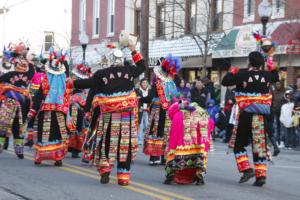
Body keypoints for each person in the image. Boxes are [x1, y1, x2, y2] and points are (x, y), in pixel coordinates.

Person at [73, 43, 145, 186]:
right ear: (122, 60)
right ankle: (123, 176)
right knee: (125, 144)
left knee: (106, 142)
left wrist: (72, 83)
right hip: (126, 117)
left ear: (110, 60)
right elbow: (142, 66)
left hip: (108, 116)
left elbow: (89, 83)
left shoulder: (101, 73)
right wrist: (133, 50)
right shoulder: (130, 70)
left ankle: (105, 169)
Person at [222, 51, 279, 187]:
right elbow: (276, 77)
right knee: (259, 145)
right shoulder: (267, 75)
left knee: (239, 144)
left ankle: (247, 169)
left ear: (249, 61)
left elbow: (225, 82)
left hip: (246, 114)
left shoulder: (243, 74)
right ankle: (261, 176)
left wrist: (232, 71)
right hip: (261, 115)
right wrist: (272, 67)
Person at [27, 48, 72, 166]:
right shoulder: (65, 82)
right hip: (60, 112)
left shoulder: (46, 81)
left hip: (47, 111)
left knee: (45, 134)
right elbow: (67, 99)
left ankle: (41, 156)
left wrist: (32, 111)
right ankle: (57, 157)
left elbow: (38, 97)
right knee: (57, 133)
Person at [164, 101, 212, 185]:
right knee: (199, 155)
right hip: (198, 140)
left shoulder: (177, 113)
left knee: (173, 150)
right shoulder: (202, 113)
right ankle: (199, 176)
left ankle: (171, 175)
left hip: (180, 136)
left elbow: (170, 114)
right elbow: (210, 124)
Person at [143, 55, 179, 166]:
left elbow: (150, 97)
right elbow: (176, 97)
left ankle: (154, 157)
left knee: (156, 131)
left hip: (158, 109)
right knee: (164, 132)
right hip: (166, 110)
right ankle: (162, 157)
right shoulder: (171, 83)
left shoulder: (157, 83)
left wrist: (139, 99)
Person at [0, 43, 34, 158]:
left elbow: (1, 79)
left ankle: (1, 145)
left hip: (10, 102)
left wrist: (7, 87)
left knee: (4, 124)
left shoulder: (10, 74)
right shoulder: (29, 75)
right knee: (19, 126)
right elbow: (33, 70)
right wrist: (28, 60)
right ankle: (19, 151)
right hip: (23, 103)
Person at [67, 63, 92, 158]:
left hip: (86, 105)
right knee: (76, 126)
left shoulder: (89, 83)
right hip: (75, 105)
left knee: (85, 127)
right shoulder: (73, 83)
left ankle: (80, 149)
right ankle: (75, 148)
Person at [136, 78, 152, 146]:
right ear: (141, 83)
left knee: (147, 125)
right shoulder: (137, 91)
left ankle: (144, 137)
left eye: (146, 83)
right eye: (143, 83)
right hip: (140, 110)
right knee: (140, 125)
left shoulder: (150, 91)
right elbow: (135, 100)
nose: (144, 84)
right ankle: (140, 140)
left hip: (147, 111)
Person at [271, 81, 285, 148]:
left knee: (282, 127)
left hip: (282, 113)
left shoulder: (284, 92)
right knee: (276, 127)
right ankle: (276, 141)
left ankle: (282, 142)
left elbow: (286, 101)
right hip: (275, 112)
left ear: (281, 85)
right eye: (276, 84)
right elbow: (272, 101)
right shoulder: (273, 92)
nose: (278, 85)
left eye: (279, 84)